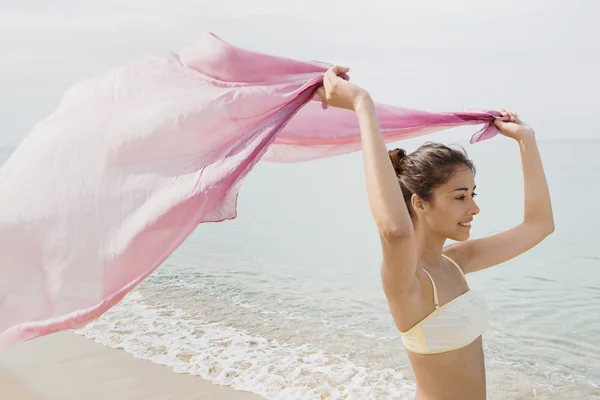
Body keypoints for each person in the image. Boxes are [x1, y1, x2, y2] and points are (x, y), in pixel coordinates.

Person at [317, 66, 554, 399]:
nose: (473, 209)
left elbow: (540, 225)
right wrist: (361, 104)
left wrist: (526, 141)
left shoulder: (457, 262)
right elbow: (395, 230)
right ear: (421, 204)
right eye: (459, 197)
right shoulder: (407, 280)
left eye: (473, 194)